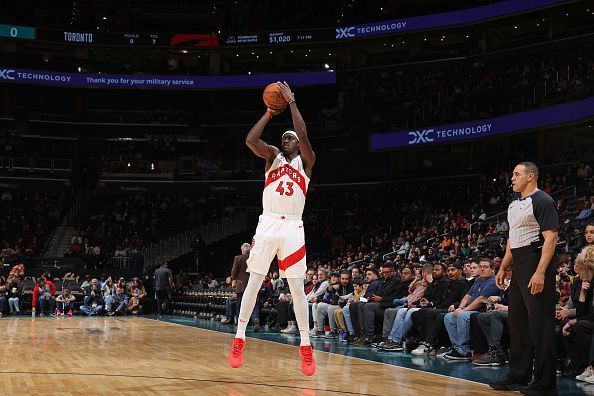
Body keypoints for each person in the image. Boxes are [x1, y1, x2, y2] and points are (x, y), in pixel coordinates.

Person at [229, 81, 317, 376]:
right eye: (284, 138)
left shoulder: (306, 164)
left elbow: (302, 133)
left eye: (290, 137)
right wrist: (269, 112)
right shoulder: (272, 159)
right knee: (254, 281)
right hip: (268, 221)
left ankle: (305, 345)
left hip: (293, 227)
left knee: (296, 288)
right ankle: (239, 338)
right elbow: (250, 140)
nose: (288, 139)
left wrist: (291, 102)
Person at [490, 162, 559, 395]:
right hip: (518, 263)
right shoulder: (513, 205)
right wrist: (503, 266)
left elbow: (551, 238)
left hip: (535, 261)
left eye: (516, 174)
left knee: (540, 325)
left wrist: (540, 272)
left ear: (531, 177)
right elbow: (512, 239)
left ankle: (545, 384)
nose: (512, 178)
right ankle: (518, 376)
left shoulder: (543, 200)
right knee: (518, 323)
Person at [226, 243, 250, 325]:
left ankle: (240, 322)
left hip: (241, 285)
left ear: (242, 250)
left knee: (240, 304)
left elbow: (234, 271)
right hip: (251, 285)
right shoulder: (253, 258)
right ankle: (249, 321)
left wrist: (232, 278)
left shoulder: (238, 258)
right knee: (249, 304)